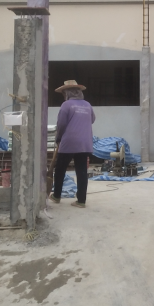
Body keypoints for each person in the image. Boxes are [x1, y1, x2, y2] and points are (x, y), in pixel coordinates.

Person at [50, 80, 96, 209]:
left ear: (67, 93)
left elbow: (61, 124)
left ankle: (56, 196)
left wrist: (58, 138)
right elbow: (92, 119)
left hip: (69, 142)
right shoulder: (87, 105)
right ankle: (81, 201)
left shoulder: (66, 105)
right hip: (85, 143)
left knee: (60, 169)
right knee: (81, 171)